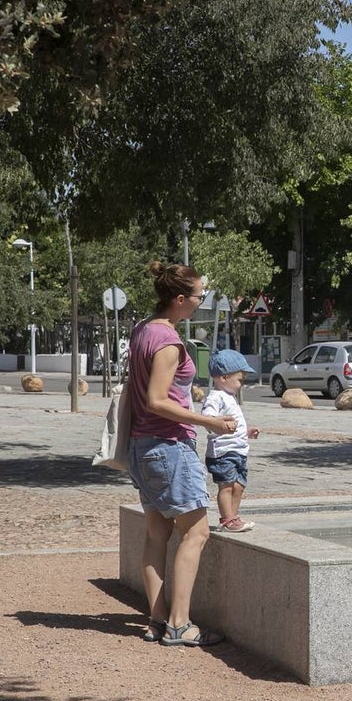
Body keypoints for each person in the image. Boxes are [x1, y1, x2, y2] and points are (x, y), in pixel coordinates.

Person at [127, 261, 234, 647]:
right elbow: (158, 400)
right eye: (198, 296)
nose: (200, 302)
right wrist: (208, 423)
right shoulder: (169, 342)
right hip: (168, 446)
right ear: (179, 299)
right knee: (197, 532)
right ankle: (179, 624)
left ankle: (157, 620)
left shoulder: (143, 331)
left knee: (156, 533)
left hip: (143, 446)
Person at [202, 349, 260, 533]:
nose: (241, 385)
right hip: (223, 451)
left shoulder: (230, 397)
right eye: (240, 380)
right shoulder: (215, 397)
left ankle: (233, 518)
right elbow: (208, 418)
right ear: (223, 378)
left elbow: (235, 423)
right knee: (226, 486)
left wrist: (246, 432)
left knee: (239, 485)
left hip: (238, 450)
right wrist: (218, 424)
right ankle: (227, 519)